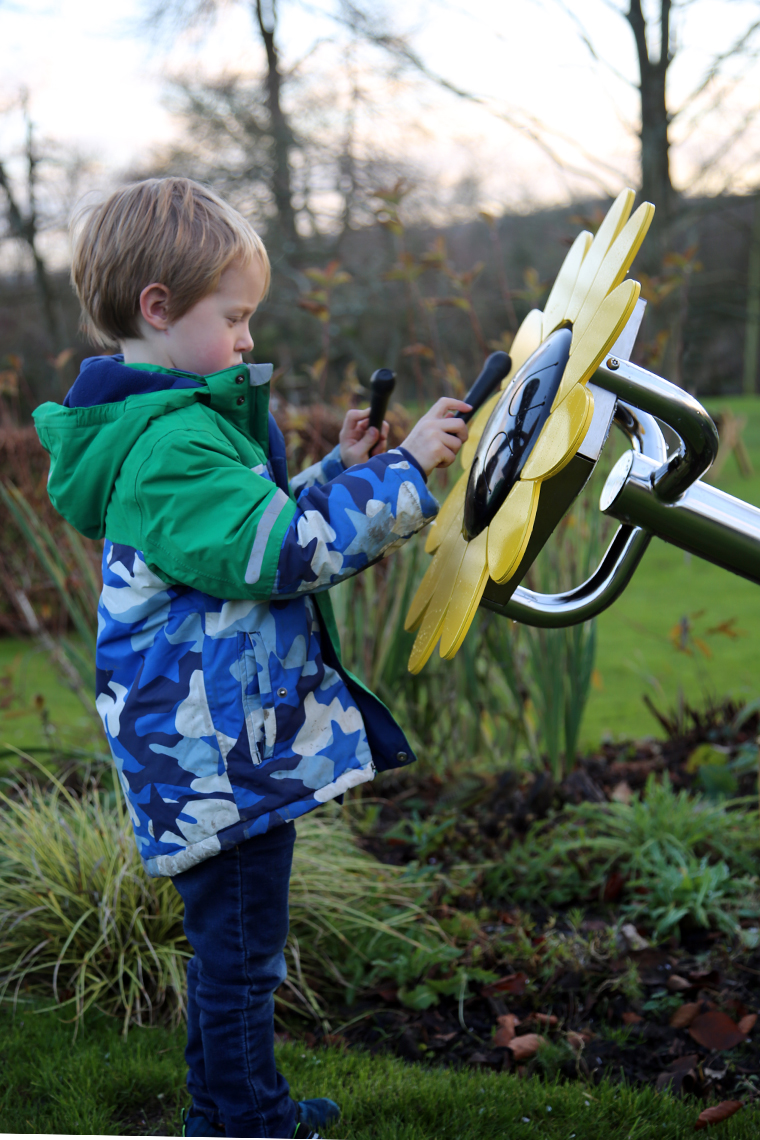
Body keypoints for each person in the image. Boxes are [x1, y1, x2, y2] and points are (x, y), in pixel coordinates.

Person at [33, 177, 470, 1139]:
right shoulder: (170, 448)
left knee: (232, 952)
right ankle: (244, 1122)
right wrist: (407, 473)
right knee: (239, 957)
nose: (245, 341)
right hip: (211, 763)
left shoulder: (171, 429)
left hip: (214, 749)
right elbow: (283, 557)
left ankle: (232, 1108)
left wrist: (337, 472)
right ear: (158, 307)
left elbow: (240, 539)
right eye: (234, 317)